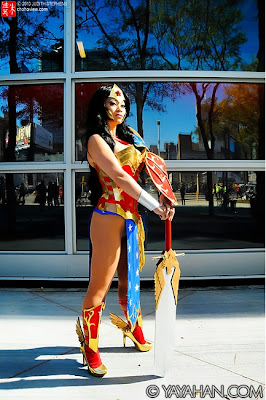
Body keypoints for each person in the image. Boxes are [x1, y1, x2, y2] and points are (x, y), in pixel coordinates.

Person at [76, 84, 176, 377]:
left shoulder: (131, 139)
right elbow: (118, 176)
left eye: (123, 104)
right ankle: (90, 347)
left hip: (132, 219)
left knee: (129, 281)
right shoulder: (96, 140)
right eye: (112, 102)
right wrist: (153, 205)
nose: (119, 108)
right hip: (108, 215)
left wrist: (165, 197)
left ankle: (134, 329)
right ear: (100, 106)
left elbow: (155, 169)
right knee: (100, 286)